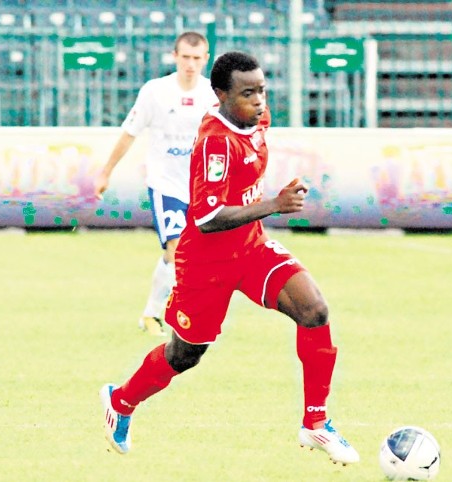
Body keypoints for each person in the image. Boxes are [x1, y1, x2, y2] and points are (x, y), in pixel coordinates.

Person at [99, 51, 360, 466]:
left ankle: (315, 421)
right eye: (247, 94)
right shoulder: (215, 144)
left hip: (251, 248)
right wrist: (274, 203)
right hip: (205, 265)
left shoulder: (256, 120)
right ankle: (122, 400)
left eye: (261, 91)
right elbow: (205, 218)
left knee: (314, 310)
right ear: (219, 95)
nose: (258, 101)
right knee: (185, 355)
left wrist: (272, 198)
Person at [94, 32, 218, 336]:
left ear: (206, 58)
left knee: (193, 256)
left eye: (197, 58)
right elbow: (130, 132)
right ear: (174, 57)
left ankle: (151, 312)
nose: (190, 64)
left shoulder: (213, 95)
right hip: (166, 185)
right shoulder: (155, 92)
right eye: (185, 57)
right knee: (177, 249)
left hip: (202, 188)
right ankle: (182, 319)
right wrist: (106, 171)